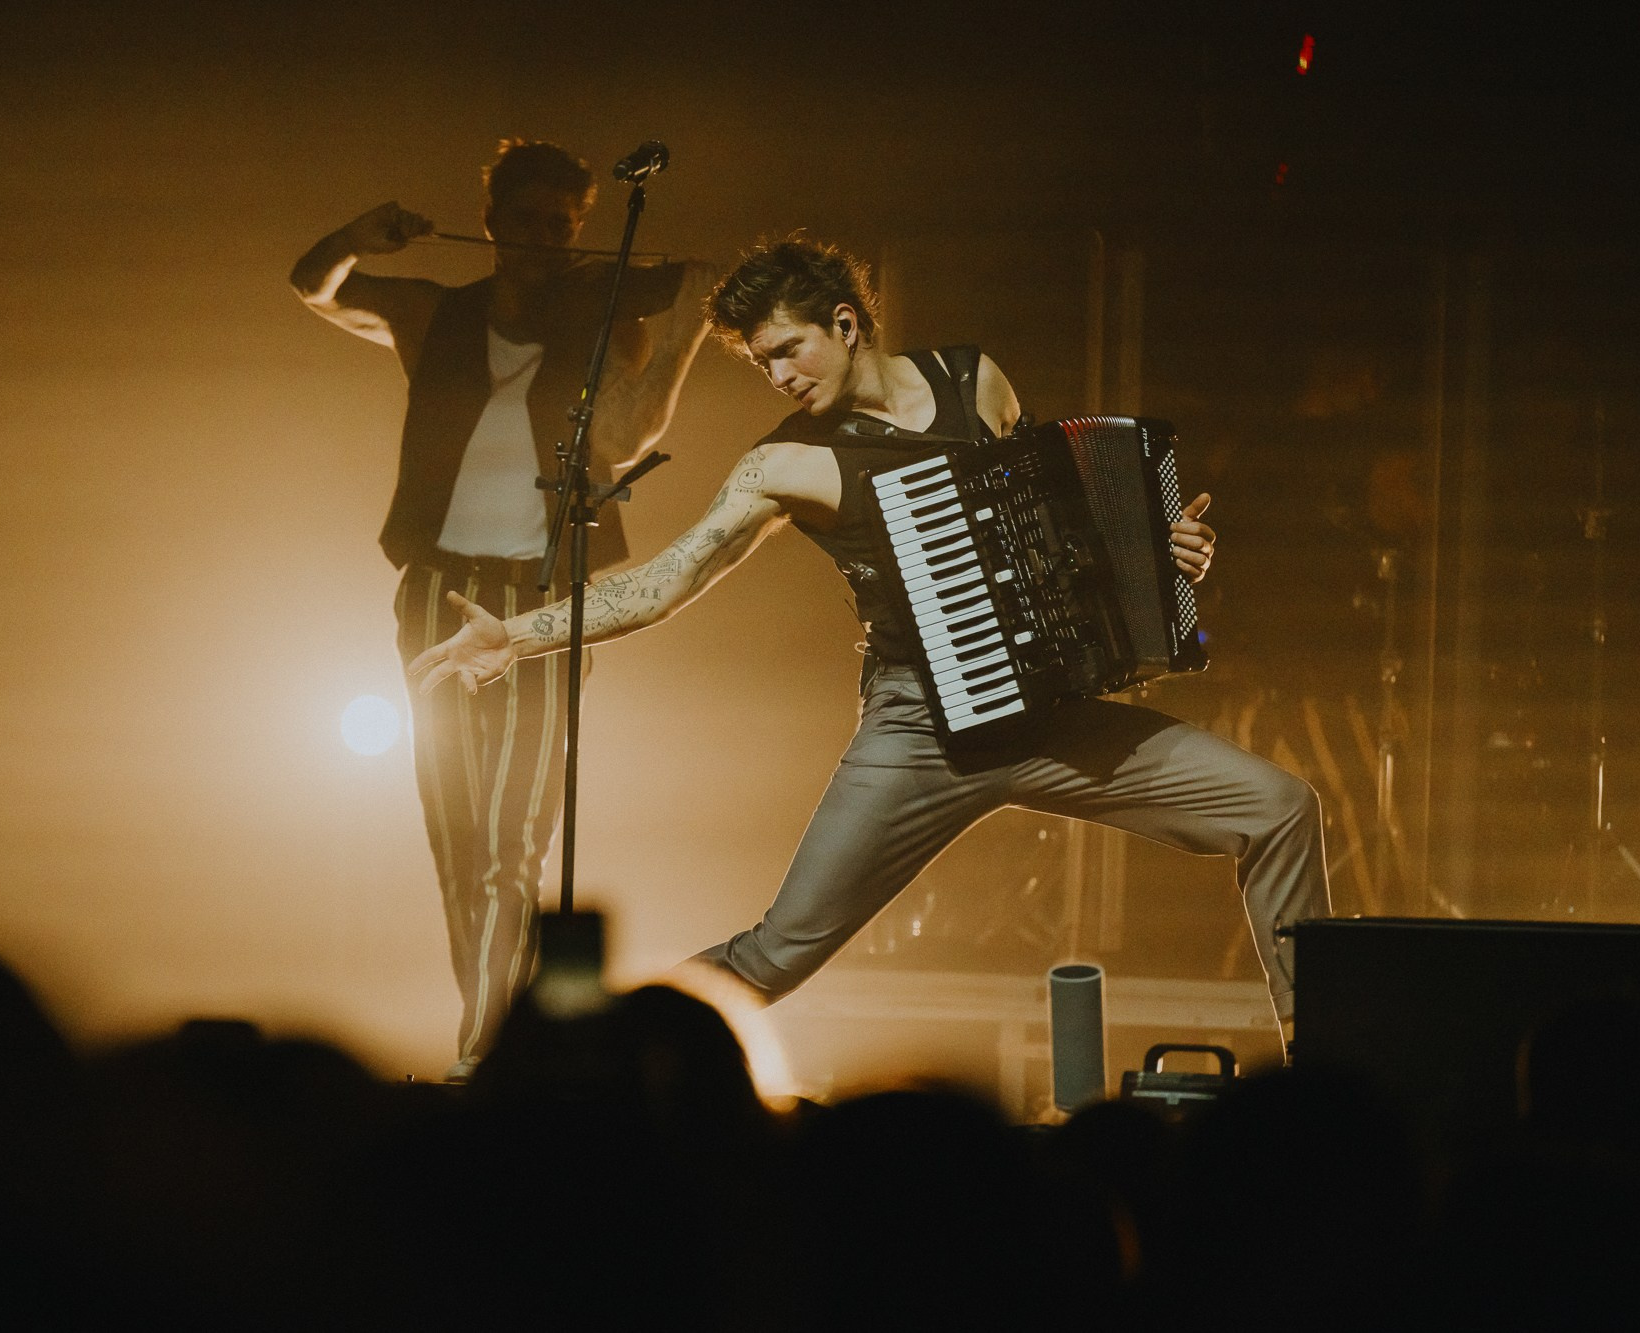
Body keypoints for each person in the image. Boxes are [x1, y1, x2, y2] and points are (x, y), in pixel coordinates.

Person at [407, 237, 1330, 1043]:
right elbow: (669, 578)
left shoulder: (977, 380)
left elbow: (1066, 535)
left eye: (788, 349)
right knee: (779, 951)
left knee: (1279, 805)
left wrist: (1166, 558)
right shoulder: (786, 462)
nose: (778, 377)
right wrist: (518, 635)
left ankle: (1317, 1069)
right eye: (762, 362)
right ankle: (585, 1072)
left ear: (846, 323)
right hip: (919, 729)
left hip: (1044, 715)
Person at [290, 140, 713, 1077]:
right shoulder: (434, 312)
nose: (548, 241)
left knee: (513, 845)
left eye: (565, 227)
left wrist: (684, 317)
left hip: (539, 605)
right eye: (529, 221)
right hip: (438, 594)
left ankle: (483, 1059)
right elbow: (312, 286)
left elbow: (630, 433)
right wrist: (360, 235)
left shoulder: (601, 323)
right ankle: (497, 1051)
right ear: (491, 225)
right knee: (458, 845)